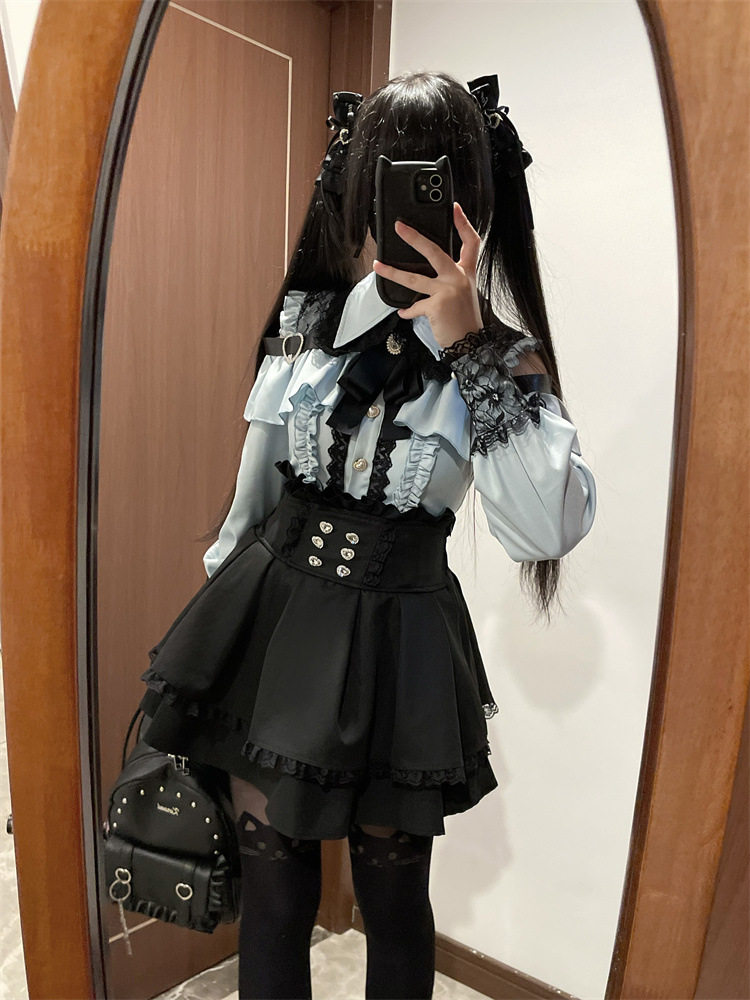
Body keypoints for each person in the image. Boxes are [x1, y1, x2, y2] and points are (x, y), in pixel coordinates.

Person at [137, 70, 596, 1000]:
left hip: (401, 647)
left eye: (434, 178)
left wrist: (467, 346)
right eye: (390, 176)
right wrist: (213, 653)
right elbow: (250, 505)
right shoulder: (307, 326)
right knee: (273, 894)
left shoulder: (504, 363)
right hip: (275, 636)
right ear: (358, 191)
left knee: (393, 899)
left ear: (475, 199)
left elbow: (543, 528)